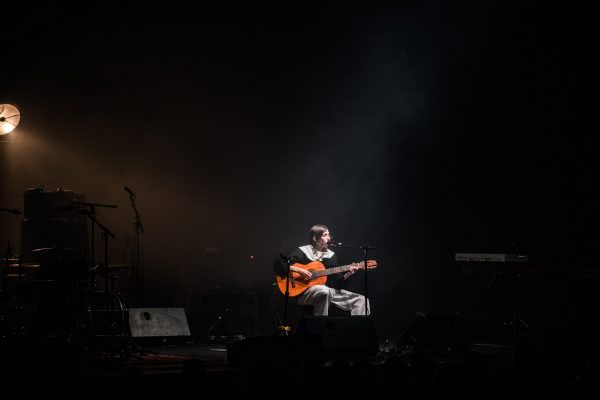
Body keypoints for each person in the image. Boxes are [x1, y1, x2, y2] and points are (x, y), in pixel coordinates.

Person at [274, 224, 370, 316]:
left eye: (329, 235)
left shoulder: (331, 256)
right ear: (315, 238)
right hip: (302, 293)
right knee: (324, 291)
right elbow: (279, 265)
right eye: (325, 235)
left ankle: (358, 331)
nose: (329, 238)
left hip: (327, 291)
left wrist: (348, 274)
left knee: (362, 301)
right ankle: (320, 328)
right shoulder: (302, 251)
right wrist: (298, 270)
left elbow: (335, 283)